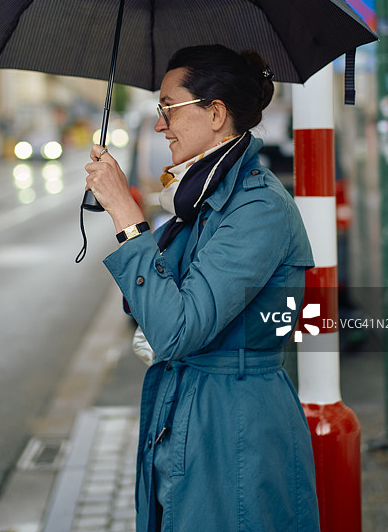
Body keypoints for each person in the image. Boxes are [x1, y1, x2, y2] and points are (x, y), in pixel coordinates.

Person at [85, 45, 320, 532]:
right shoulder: (202, 200)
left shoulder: (257, 208)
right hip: (191, 412)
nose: (160, 125)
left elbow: (176, 329)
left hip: (234, 429)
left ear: (215, 114)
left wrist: (126, 215)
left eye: (168, 108)